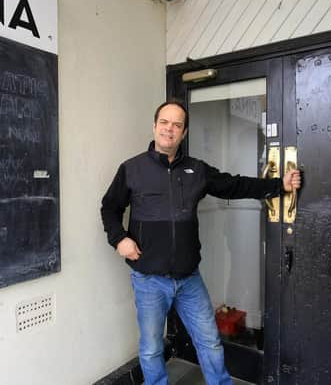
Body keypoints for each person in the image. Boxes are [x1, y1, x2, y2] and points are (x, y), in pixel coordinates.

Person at [101, 101, 301, 385]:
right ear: (155, 126)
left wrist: (279, 185)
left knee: (209, 342)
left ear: (183, 133)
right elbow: (109, 208)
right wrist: (119, 239)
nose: (170, 129)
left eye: (177, 125)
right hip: (148, 279)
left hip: (188, 278)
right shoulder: (131, 169)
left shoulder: (196, 170)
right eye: (165, 123)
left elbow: (235, 185)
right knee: (151, 347)